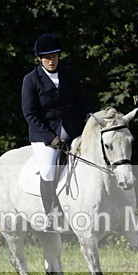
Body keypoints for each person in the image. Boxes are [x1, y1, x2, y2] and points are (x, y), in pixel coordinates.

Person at [21, 33, 94, 230]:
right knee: (47, 169)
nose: (51, 60)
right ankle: (52, 216)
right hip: (45, 136)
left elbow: (83, 100)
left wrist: (89, 118)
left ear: (58, 56)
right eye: (47, 57)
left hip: (74, 131)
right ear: (39, 58)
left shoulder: (69, 74)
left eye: (54, 56)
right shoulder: (31, 80)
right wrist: (50, 138)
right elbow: (30, 114)